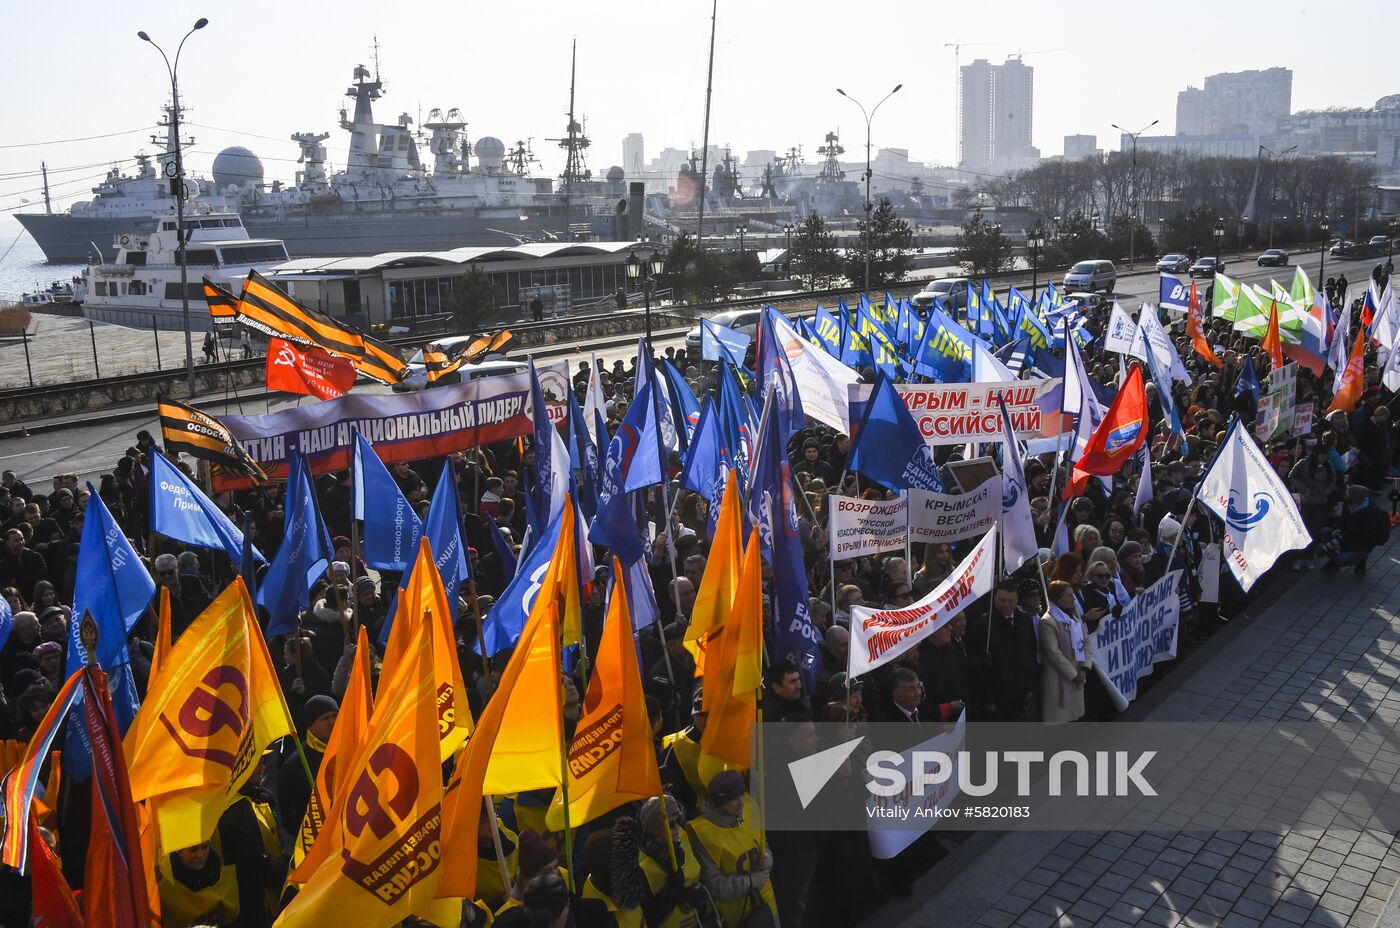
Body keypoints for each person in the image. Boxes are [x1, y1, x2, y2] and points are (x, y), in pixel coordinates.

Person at [686, 771, 776, 927]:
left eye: (741, 794)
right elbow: (714, 885)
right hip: (736, 918)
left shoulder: (750, 806)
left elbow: (764, 845)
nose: (741, 801)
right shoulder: (703, 834)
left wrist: (767, 858)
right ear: (719, 802)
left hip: (767, 907)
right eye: (733, 798)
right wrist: (750, 881)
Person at [966, 579, 1039, 722]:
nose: (1006, 605)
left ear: (1017, 599)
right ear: (995, 599)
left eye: (1010, 600)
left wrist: (1030, 687)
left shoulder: (1024, 621)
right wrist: (988, 700)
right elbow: (977, 666)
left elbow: (1031, 654)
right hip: (997, 695)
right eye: (1002, 600)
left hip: (1021, 691)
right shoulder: (983, 626)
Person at [1041, 580, 1091, 724]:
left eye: (1073, 595)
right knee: (1061, 718)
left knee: (1075, 715)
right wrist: (1074, 675)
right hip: (1059, 678)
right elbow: (1053, 652)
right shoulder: (1048, 621)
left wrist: (1084, 668)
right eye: (1068, 596)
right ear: (1057, 599)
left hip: (1079, 672)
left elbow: (1085, 641)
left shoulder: (1074, 616)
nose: (1074, 598)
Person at [158, 840, 240, 928]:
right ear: (179, 852)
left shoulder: (218, 873)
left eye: (205, 847)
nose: (200, 855)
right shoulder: (167, 886)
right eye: (193, 850)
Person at [1322, 486, 1392, 576]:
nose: (1345, 495)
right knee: (1325, 531)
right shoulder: (1348, 504)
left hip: (1360, 545)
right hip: (1347, 537)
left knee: (1341, 559)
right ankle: (1335, 561)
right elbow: (1342, 522)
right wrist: (1336, 531)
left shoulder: (1371, 515)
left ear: (1354, 497)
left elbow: (1365, 538)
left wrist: (1339, 543)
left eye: (1348, 494)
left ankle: (1359, 561)